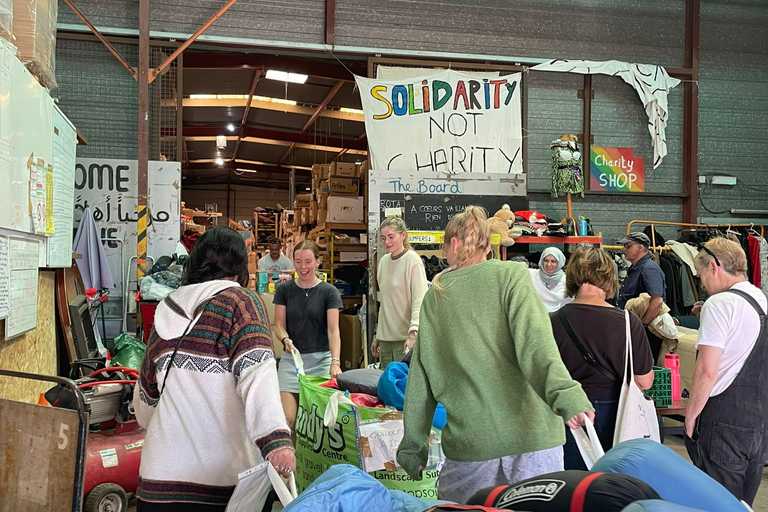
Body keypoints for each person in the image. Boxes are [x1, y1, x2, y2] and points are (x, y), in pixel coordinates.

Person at [396, 206, 594, 504]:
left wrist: (413, 447)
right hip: (534, 440)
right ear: (488, 246)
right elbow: (536, 345)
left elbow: (421, 379)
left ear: (452, 244)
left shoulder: (436, 295)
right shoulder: (511, 277)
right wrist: (566, 396)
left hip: (473, 447)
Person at [133, 227, 294, 511]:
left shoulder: (166, 310)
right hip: (218, 484)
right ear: (239, 267)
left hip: (157, 480)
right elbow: (258, 374)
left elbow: (145, 404)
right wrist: (276, 441)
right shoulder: (240, 301)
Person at [550, 247, 654, 470]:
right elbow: (644, 381)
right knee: (613, 483)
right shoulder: (628, 322)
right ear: (609, 279)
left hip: (567, 413)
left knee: (572, 484)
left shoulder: (551, 321)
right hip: (618, 414)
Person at [684, 237, 768, 505]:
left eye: (701, 275)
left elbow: (707, 370)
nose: (702, 283)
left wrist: (691, 414)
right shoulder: (760, 298)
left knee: (716, 503)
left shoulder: (719, 304)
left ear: (715, 266)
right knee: (742, 504)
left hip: (724, 421)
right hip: (758, 423)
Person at [274, 240, 343, 428]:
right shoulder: (284, 290)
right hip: (291, 362)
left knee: (319, 423)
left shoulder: (329, 292)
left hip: (321, 362)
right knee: (287, 419)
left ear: (317, 262)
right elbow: (278, 324)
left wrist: (335, 362)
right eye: (298, 261)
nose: (302, 267)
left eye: (307, 261)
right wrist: (285, 339)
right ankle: (290, 456)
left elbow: (333, 330)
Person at [373, 217, 429, 367]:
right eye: (384, 238)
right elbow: (385, 303)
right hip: (386, 340)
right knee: (384, 386)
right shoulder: (383, 262)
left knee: (402, 387)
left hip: (405, 340)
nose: (387, 242)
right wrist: (378, 335)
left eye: (391, 237)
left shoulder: (413, 261)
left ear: (403, 235)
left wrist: (414, 333)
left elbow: (420, 300)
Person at [616, 232, 667, 360]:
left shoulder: (649, 269)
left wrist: (642, 325)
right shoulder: (635, 268)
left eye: (628, 246)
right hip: (635, 328)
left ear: (641, 247)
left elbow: (657, 301)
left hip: (646, 332)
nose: (624, 250)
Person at [529, 247, 572, 312]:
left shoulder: (566, 281)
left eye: (553, 261)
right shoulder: (531, 275)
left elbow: (568, 303)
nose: (549, 264)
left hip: (557, 317)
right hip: (535, 315)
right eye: (546, 260)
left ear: (559, 263)